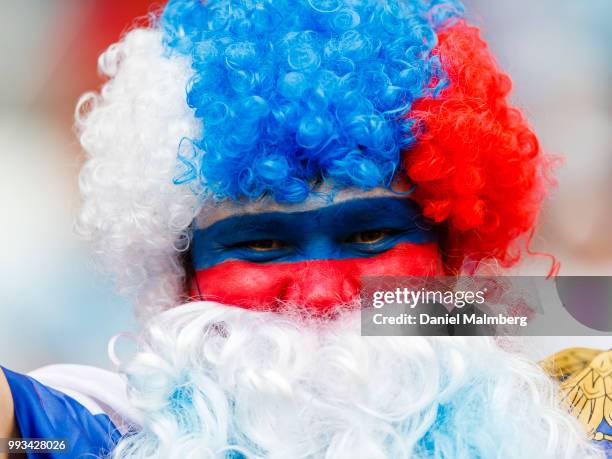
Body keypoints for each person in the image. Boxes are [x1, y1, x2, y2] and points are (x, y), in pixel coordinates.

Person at [1, 0, 609, 457]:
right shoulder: (121, 434)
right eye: (262, 244)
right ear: (182, 273)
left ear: (449, 250)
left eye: (369, 236)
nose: (319, 296)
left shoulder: (562, 420)